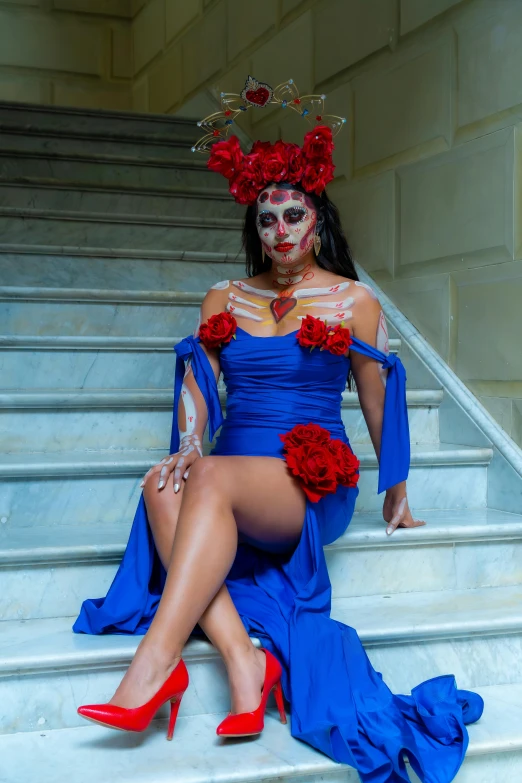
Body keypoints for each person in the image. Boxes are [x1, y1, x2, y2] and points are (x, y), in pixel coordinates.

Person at [73, 84, 484, 783]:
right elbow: (199, 393)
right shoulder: (223, 297)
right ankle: (242, 657)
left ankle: (154, 666)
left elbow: (379, 401)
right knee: (163, 482)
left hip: (308, 481)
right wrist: (187, 445)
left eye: (294, 214)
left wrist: (397, 486)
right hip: (228, 473)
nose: (281, 231)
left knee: (202, 483)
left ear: (317, 218)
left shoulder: (353, 299)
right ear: (255, 228)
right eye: (267, 220)